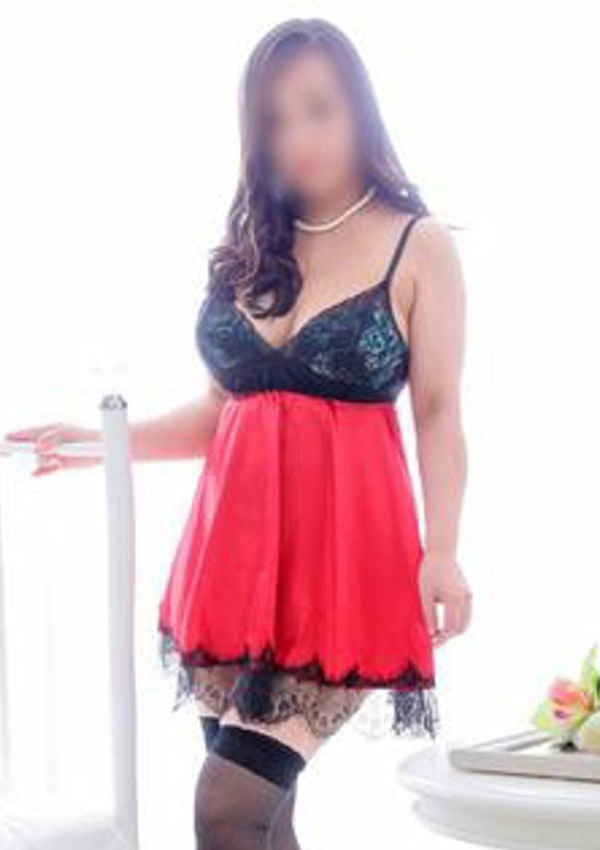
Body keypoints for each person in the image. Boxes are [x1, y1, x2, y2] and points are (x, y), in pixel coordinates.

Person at [4, 16, 472, 850]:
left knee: (226, 808)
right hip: (233, 569)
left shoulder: (418, 244)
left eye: (318, 109)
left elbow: (438, 409)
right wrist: (100, 443)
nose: (298, 137)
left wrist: (443, 549)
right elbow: (224, 411)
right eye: (274, 119)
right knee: (262, 820)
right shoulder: (254, 246)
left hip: (340, 573)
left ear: (360, 108)